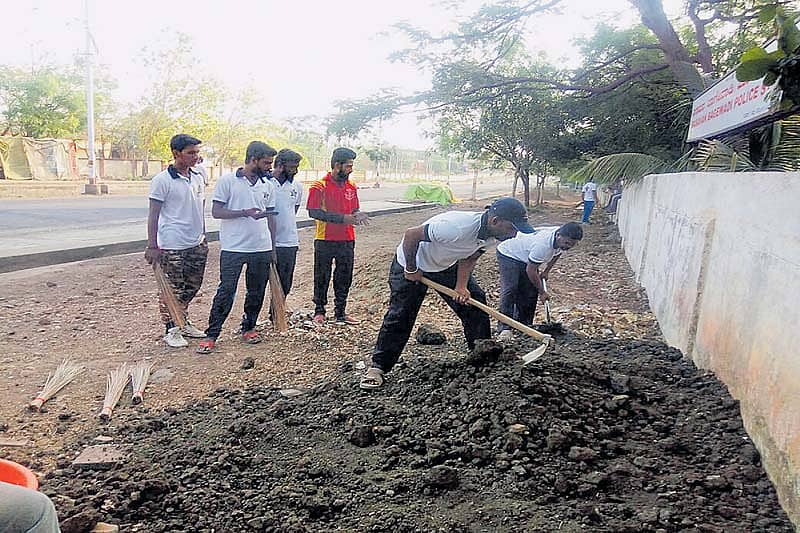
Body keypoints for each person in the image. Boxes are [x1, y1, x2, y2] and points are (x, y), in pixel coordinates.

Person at [360, 197, 534, 390]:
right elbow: (411, 235)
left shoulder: (494, 235)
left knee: (474, 303)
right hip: (412, 263)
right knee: (401, 315)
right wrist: (411, 268)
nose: (514, 234)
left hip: (445, 266)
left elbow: (470, 257)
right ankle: (378, 368)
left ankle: (483, 356)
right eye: (512, 228)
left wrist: (461, 286)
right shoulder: (455, 227)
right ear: (495, 221)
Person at [196, 141, 278, 354]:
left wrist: (272, 247)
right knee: (226, 290)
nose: (269, 167)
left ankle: (249, 327)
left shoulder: (268, 184)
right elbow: (217, 212)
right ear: (253, 159)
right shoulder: (227, 181)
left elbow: (271, 217)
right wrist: (244, 212)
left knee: (256, 291)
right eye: (266, 162)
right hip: (234, 247)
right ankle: (212, 334)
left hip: (261, 247)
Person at [145, 134, 208, 348]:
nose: (195, 156)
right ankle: (171, 329)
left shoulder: (198, 176)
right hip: (172, 244)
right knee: (172, 288)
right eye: (190, 152)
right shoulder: (162, 180)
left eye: (197, 152)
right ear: (176, 153)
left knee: (193, 285)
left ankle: (182, 320)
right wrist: (152, 245)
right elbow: (153, 214)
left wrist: (203, 236)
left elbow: (200, 207)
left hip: (196, 242)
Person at [306, 147, 368, 326]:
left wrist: (358, 214)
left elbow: (354, 208)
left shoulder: (352, 186)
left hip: (347, 239)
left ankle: (340, 312)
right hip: (324, 239)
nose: (351, 169)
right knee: (322, 275)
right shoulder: (319, 186)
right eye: (348, 166)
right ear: (336, 165)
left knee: (344, 276)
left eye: (351, 166)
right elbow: (313, 212)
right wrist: (342, 218)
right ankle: (319, 311)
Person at [494, 222, 583, 341]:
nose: (568, 246)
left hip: (527, 256)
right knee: (511, 288)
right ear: (558, 235)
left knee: (530, 292)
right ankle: (504, 328)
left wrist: (546, 271)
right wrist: (542, 292)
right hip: (509, 253)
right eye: (567, 243)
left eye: (572, 245)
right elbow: (531, 270)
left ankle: (524, 325)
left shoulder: (562, 240)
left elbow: (557, 253)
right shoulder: (543, 245)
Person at [269, 149, 304, 304]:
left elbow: (292, 211)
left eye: (297, 167)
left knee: (284, 285)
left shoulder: (297, 186)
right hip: (265, 243)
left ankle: (276, 313)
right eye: (292, 167)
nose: (295, 171)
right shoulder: (266, 183)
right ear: (280, 165)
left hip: (289, 243)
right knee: (258, 286)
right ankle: (251, 317)